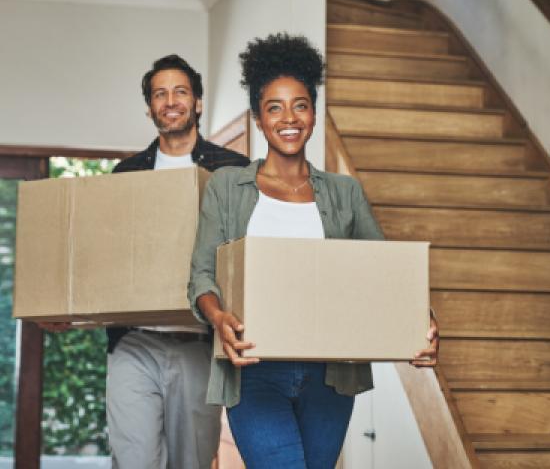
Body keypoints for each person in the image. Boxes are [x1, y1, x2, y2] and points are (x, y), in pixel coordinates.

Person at [188, 33, 439, 469]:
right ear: (258, 119)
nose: (289, 117)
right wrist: (218, 316)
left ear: (314, 113)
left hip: (331, 373)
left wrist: (422, 320)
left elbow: (384, 275)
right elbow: (202, 275)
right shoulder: (227, 188)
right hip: (253, 368)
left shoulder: (345, 193)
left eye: (300, 105)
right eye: (274, 107)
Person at [103, 55, 249, 468]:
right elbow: (107, 260)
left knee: (192, 462)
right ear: (150, 107)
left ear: (198, 103)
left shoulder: (233, 170)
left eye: (180, 92)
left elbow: (244, 255)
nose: (170, 101)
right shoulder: (125, 174)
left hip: (199, 343)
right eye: (160, 94)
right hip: (134, 342)